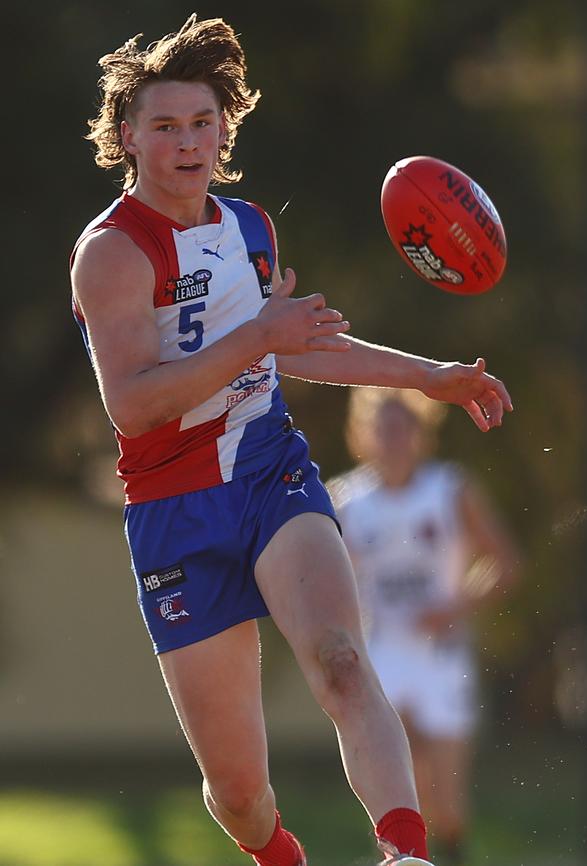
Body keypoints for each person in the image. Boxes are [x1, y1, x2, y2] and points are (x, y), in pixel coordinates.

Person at [69, 15, 513, 866]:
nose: (187, 143)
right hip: (173, 512)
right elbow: (134, 407)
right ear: (128, 137)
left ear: (225, 127)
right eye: (165, 127)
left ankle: (406, 854)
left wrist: (432, 376)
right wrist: (257, 338)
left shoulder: (250, 228)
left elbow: (301, 342)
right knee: (239, 796)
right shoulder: (112, 253)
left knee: (343, 660)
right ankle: (279, 856)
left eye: (202, 123)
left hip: (270, 468)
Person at [331, 388, 520, 866]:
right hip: (383, 657)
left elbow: (505, 564)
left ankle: (452, 852)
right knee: (400, 791)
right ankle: (403, 859)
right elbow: (325, 583)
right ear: (364, 435)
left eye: (404, 427)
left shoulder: (450, 490)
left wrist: (453, 607)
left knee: (447, 802)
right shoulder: (348, 502)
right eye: (384, 428)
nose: (394, 438)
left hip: (441, 657)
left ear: (422, 432)